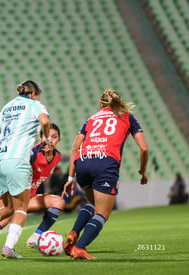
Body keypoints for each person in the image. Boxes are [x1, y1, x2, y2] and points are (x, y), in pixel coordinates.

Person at [0, 80, 50, 259]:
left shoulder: (7, 107)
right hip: (16, 160)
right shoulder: (35, 105)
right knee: (21, 208)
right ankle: (8, 247)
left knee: (7, 207)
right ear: (34, 94)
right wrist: (44, 136)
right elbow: (44, 120)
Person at [62, 89, 148, 260]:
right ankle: (79, 247)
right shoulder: (127, 116)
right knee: (102, 213)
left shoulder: (91, 119)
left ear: (100, 105)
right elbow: (144, 148)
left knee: (92, 203)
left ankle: (74, 232)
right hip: (105, 162)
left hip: (83, 161)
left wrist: (70, 178)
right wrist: (142, 170)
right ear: (118, 103)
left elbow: (74, 148)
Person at [0, 123, 63, 255]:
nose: (50, 140)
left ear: (59, 139)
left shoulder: (58, 156)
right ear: (40, 138)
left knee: (58, 202)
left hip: (29, 197)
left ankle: (36, 237)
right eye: (47, 137)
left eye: (54, 137)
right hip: (13, 192)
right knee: (3, 221)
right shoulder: (31, 154)